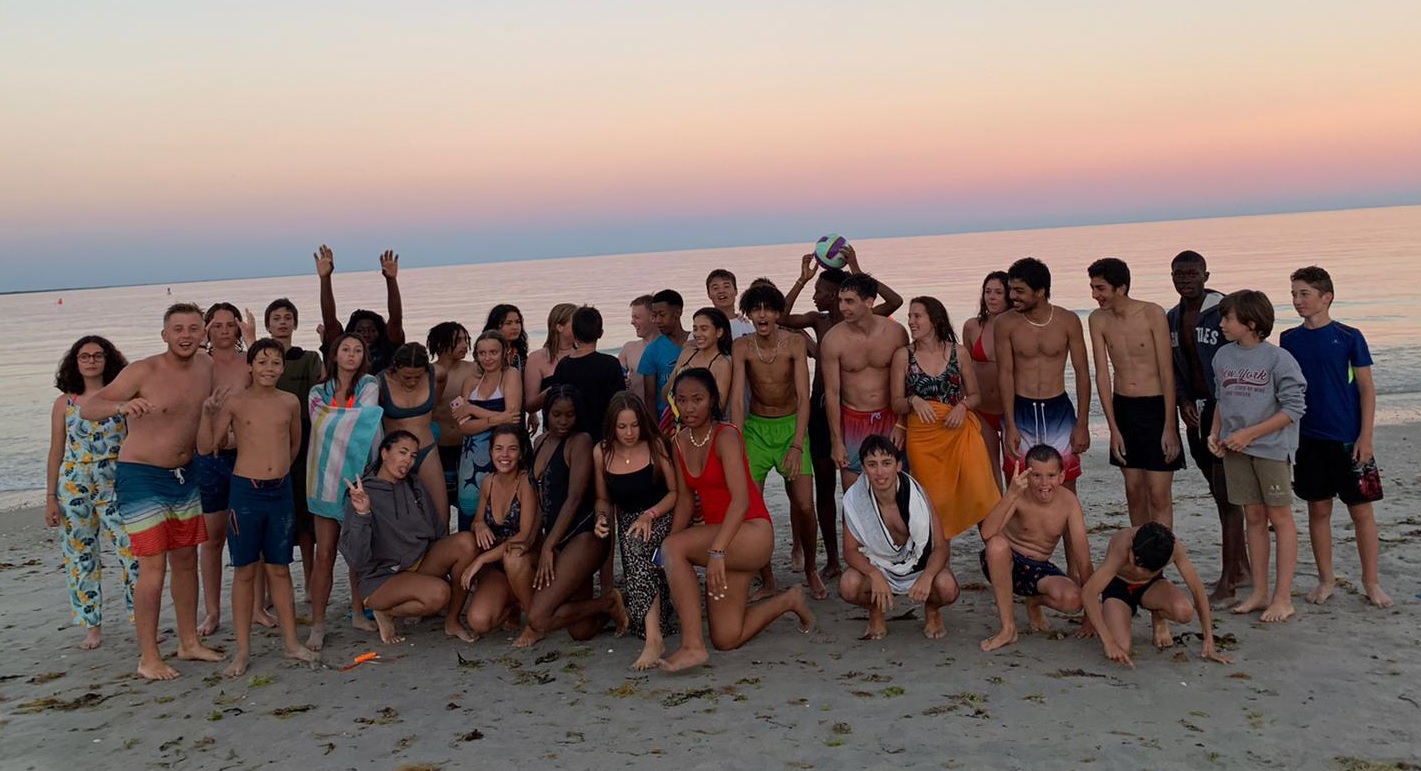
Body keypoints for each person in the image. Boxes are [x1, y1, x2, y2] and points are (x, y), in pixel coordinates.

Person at [82, 303, 224, 680]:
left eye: (194, 328)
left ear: (203, 333)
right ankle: (148, 657)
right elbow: (88, 407)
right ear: (165, 334)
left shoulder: (207, 367)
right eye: (178, 329)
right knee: (152, 569)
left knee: (185, 561)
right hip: (142, 476)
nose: (186, 335)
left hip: (186, 474)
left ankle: (188, 642)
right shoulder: (142, 370)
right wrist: (122, 405)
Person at [656, 369, 815, 672]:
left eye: (697, 400)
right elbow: (687, 502)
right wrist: (662, 553)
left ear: (712, 400)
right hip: (725, 540)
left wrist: (715, 551)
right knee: (727, 637)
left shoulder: (726, 434)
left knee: (674, 548)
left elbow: (741, 500)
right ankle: (790, 601)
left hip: (751, 533)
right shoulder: (678, 442)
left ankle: (692, 645)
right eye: (682, 400)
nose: (689, 408)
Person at [198, 339, 319, 676]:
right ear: (249, 366)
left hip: (279, 494)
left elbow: (294, 443)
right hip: (245, 495)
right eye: (262, 362)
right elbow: (210, 446)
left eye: (275, 363)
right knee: (245, 571)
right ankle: (242, 650)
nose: (269, 368)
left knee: (280, 569)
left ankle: (292, 643)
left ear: (283, 367)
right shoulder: (236, 402)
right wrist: (208, 415)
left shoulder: (290, 402)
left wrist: (276, 471)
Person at [781, 247, 903, 581]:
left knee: (889, 485)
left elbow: (894, 302)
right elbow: (781, 318)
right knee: (829, 487)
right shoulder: (822, 326)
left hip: (877, 416)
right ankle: (837, 558)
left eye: (823, 291)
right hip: (830, 413)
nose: (821, 298)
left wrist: (856, 267)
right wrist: (803, 280)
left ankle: (889, 553)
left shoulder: (884, 327)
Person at [1281, 267, 1392, 608]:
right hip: (1308, 440)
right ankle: (1326, 579)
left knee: (1362, 513)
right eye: (1294, 294)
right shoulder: (1289, 339)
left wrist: (1365, 437)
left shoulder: (1348, 336)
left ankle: (1371, 582)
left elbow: (1366, 389)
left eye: (1304, 294)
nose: (1298, 301)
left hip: (1348, 438)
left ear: (1326, 297)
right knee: (1318, 511)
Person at [1208, 290, 1307, 623]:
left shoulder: (1278, 359)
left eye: (1228, 318)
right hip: (1236, 450)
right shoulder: (1222, 356)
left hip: (1271, 450)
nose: (1221, 324)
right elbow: (1222, 400)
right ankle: (1260, 592)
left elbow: (1294, 409)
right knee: (1253, 518)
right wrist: (1215, 434)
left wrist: (1250, 434)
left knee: (1280, 518)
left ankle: (1282, 597)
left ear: (1250, 323)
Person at [510, 386, 628, 648]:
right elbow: (543, 497)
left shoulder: (580, 442)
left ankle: (610, 601)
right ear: (546, 413)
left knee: (539, 617)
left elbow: (574, 499)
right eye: (557, 414)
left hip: (584, 536)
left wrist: (548, 546)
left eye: (570, 415)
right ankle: (606, 605)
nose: (563, 421)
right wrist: (532, 539)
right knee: (581, 631)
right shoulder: (540, 443)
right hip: (559, 537)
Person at [729, 283, 823, 600]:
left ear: (778, 313)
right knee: (752, 510)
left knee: (805, 506)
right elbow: (738, 400)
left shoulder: (794, 343)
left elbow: (803, 396)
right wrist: (737, 440)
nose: (762, 314)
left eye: (768, 308)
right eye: (756, 309)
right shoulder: (742, 347)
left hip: (790, 428)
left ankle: (811, 568)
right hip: (756, 429)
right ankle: (767, 579)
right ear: (749, 314)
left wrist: (797, 444)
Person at [341, 431, 480, 644]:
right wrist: (363, 514)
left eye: (413, 455)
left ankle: (452, 622)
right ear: (385, 453)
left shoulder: (413, 484)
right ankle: (386, 611)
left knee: (465, 542)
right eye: (402, 452)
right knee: (439, 594)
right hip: (381, 578)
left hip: (417, 563)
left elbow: (436, 531)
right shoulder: (363, 494)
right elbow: (357, 559)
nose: (408, 460)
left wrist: (446, 566)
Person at [1166, 250, 1249, 604]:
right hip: (1195, 413)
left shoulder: (1225, 312)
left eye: (1191, 273)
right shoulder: (1172, 316)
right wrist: (1182, 401)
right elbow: (1175, 364)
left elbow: (1247, 355)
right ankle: (1243, 566)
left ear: (1205, 274)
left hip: (1225, 414)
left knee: (1229, 496)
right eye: (1178, 274)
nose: (1185, 279)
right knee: (1219, 494)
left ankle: (1229, 578)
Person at [45, 336, 136, 650]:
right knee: (81, 557)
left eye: (98, 355)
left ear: (108, 360)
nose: (92, 361)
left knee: (132, 551)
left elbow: (136, 441)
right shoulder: (65, 403)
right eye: (85, 356)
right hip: (75, 483)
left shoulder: (122, 397)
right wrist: (50, 497)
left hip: (117, 481)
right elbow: (56, 450)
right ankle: (92, 626)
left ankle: (141, 618)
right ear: (76, 362)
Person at [890, 295, 1000, 539]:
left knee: (982, 493)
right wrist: (913, 400)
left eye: (917, 316)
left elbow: (975, 396)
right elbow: (895, 402)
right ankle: (940, 567)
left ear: (935, 320)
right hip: (923, 439)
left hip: (959, 432)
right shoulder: (903, 356)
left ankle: (995, 555)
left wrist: (962, 406)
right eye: (910, 317)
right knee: (935, 506)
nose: (911, 322)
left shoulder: (958, 353)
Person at [1087, 258, 1184, 527]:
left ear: (1121, 287)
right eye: (1093, 288)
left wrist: (1169, 426)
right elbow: (1103, 374)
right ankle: (1142, 557)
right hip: (1124, 407)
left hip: (1155, 406)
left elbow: (1167, 372)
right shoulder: (1098, 320)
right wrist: (1113, 428)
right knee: (1134, 491)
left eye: (1101, 288)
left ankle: (1160, 557)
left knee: (1158, 493)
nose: (1095, 295)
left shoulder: (1152, 313)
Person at [305, 333, 384, 650]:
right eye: (345, 349)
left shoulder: (369, 384)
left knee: (357, 554)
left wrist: (335, 419)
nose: (351, 355)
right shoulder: (317, 390)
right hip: (323, 478)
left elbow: (365, 418)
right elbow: (320, 423)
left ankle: (357, 612)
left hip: (359, 476)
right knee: (324, 554)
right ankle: (318, 624)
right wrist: (340, 421)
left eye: (357, 350)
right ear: (334, 355)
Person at [838, 436, 959, 640]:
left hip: (918, 566)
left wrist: (927, 576)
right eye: (872, 465)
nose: (880, 472)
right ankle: (876, 611)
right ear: (864, 469)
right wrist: (874, 574)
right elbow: (850, 550)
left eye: (886, 463)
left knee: (947, 588)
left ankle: (932, 610)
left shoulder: (918, 495)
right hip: (879, 567)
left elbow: (940, 547)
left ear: (898, 465)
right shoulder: (854, 499)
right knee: (848, 585)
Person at [592, 392, 680, 670]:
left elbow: (675, 492)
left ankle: (654, 642)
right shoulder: (602, 452)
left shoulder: (656, 445)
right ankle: (653, 629)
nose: (629, 433)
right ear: (612, 426)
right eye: (622, 427)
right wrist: (602, 517)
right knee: (634, 544)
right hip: (631, 523)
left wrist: (649, 515)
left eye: (634, 425)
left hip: (661, 517)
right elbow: (603, 498)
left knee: (635, 542)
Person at [978, 445, 1095, 652]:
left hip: (1038, 568)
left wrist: (1091, 615)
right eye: (1037, 476)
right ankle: (1008, 628)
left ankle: (1033, 602)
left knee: (1073, 600)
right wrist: (1011, 494)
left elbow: (1083, 559)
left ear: (1062, 476)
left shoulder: (1069, 503)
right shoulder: (1018, 495)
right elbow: (987, 533)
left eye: (1051, 475)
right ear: (1027, 475)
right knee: (996, 545)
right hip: (1005, 562)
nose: (1044, 483)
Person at [196, 302, 263, 636]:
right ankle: (212, 612)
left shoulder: (247, 362)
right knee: (212, 538)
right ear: (207, 328)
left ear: (238, 328)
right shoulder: (198, 363)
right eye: (216, 325)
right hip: (209, 458)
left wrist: (252, 339)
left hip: (246, 454)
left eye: (229, 324)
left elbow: (267, 377)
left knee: (252, 533)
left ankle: (256, 608)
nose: (223, 330)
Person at [1081, 523, 1232, 668]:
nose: (1138, 571)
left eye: (1146, 569)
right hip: (1118, 589)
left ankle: (1158, 616)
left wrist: (1209, 640)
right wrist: (1109, 642)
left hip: (1151, 586)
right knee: (1121, 648)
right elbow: (1088, 593)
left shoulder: (1174, 548)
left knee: (1184, 611)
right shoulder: (1122, 544)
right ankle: (1111, 613)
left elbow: (1197, 589)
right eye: (1136, 563)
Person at [998, 257, 1091, 490]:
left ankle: (1065, 527)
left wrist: (1082, 423)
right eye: (1011, 290)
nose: (1012, 296)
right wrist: (1009, 424)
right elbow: (1005, 374)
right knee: (1019, 483)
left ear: (1040, 292)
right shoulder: (1005, 323)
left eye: (1019, 291)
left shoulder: (1068, 320)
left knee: (1064, 482)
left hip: (1057, 409)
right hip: (1021, 409)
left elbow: (1082, 373)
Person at [259, 299, 324, 600]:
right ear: (267, 324)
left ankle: (311, 583)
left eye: (288, 318)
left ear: (295, 324)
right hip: (268, 438)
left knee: (305, 518)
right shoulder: (260, 360)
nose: (282, 322)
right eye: (276, 318)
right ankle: (272, 590)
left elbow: (321, 386)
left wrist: (327, 346)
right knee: (273, 519)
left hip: (305, 435)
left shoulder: (308, 358)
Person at [821, 274, 909, 489]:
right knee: (854, 495)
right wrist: (836, 441)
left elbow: (907, 383)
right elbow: (832, 393)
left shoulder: (895, 333)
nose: (842, 307)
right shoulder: (833, 340)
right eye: (840, 300)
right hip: (853, 419)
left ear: (869, 302)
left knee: (897, 489)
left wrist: (902, 423)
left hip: (890, 417)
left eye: (849, 301)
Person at [460, 425, 541, 638]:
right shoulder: (488, 481)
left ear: (521, 452)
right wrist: (479, 525)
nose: (504, 455)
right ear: (490, 452)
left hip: (524, 559)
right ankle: (512, 603)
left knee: (513, 557)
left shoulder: (525, 481)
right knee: (478, 621)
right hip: (498, 568)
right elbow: (477, 520)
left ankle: (535, 623)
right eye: (499, 449)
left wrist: (481, 560)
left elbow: (524, 534)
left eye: (512, 449)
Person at [455, 331, 524, 531]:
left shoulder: (510, 375)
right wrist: (497, 418)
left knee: (502, 510)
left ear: (504, 352)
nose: (488, 358)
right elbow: (464, 426)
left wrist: (474, 410)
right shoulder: (470, 382)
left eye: (493, 352)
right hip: (471, 455)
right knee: (470, 510)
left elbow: (513, 417)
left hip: (503, 453)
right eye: (482, 353)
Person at [377, 343, 449, 529]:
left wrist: (431, 405)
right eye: (406, 377)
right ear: (395, 368)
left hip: (426, 450)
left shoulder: (435, 373)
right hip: (395, 456)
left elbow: (442, 380)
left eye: (417, 377)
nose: (412, 382)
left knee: (441, 516)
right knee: (397, 519)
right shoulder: (379, 383)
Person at [315, 244, 406, 374]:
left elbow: (396, 320)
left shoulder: (387, 349)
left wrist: (391, 280)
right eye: (360, 330)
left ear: (379, 332)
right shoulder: (342, 349)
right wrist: (325, 278)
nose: (366, 334)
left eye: (372, 330)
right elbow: (329, 321)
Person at [961, 271, 1011, 491]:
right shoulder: (972, 326)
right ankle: (997, 523)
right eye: (988, 292)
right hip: (981, 410)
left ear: (1009, 295)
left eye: (998, 292)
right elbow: (965, 369)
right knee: (989, 472)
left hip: (1010, 409)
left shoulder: (1017, 326)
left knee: (1014, 468)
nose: (991, 297)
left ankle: (1018, 521)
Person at [549, 306, 626, 444]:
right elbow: (618, 404)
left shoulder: (563, 365)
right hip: (604, 437)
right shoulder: (610, 364)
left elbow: (555, 401)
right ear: (600, 333)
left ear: (574, 332)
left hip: (571, 437)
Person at [429, 322, 477, 516]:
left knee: (470, 504)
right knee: (440, 506)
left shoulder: (474, 370)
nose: (464, 345)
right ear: (440, 344)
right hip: (439, 449)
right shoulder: (429, 372)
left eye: (466, 340)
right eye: (458, 341)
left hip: (468, 446)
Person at [638, 289, 689, 432]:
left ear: (677, 313)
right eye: (654, 316)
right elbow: (650, 398)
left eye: (662, 315)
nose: (657, 321)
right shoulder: (652, 351)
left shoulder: (696, 342)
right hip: (667, 424)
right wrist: (656, 432)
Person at [524, 303, 578, 432]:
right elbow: (530, 406)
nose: (580, 327)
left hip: (585, 427)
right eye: (575, 323)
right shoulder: (536, 358)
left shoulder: (584, 353)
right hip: (553, 429)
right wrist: (553, 391)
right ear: (559, 327)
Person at [671, 307, 733, 414]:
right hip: (674, 419)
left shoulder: (721, 364)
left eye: (704, 329)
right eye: (695, 329)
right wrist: (677, 374)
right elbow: (665, 394)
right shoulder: (687, 353)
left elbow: (719, 407)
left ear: (719, 332)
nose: (697, 334)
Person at [618, 295, 659, 404]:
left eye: (637, 317)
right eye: (632, 317)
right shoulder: (628, 349)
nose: (632, 322)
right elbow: (617, 377)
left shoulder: (669, 347)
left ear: (653, 317)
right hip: (637, 411)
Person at [706, 269, 755, 339]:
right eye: (715, 288)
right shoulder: (703, 326)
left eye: (726, 286)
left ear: (736, 291)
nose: (721, 291)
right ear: (709, 294)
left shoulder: (748, 326)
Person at [484, 304, 529, 373]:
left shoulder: (519, 354)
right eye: (508, 323)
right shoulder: (486, 354)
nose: (515, 327)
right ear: (496, 327)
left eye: (517, 322)